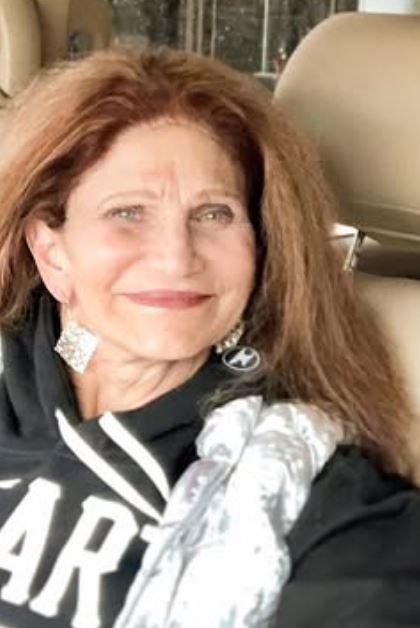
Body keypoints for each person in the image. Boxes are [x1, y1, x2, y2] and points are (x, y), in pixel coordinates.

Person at [0, 47, 418, 628]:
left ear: (258, 246)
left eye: (214, 214)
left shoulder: (301, 486)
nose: (176, 259)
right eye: (128, 212)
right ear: (51, 251)